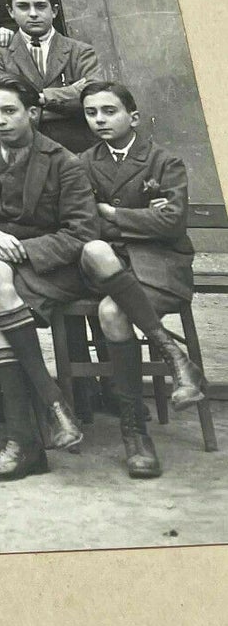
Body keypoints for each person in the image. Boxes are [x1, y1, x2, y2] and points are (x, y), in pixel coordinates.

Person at [0, 76, 92, 482]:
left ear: (32, 112)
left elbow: (82, 234)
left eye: (9, 111)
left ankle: (24, 441)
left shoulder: (63, 161)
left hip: (52, 265)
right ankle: (53, 406)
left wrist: (23, 249)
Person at [78, 81, 208, 475]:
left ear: (132, 117)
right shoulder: (82, 163)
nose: (100, 119)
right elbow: (84, 225)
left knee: (112, 313)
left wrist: (114, 215)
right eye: (91, 113)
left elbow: (171, 223)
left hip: (159, 266)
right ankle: (172, 359)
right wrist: (140, 218)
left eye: (109, 111)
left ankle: (135, 432)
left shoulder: (163, 161)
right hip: (108, 264)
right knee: (93, 253)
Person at [0, 0, 100, 153]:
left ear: (54, 10)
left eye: (40, 6)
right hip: (22, 149)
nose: (33, 14)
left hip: (77, 147)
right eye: (23, 7)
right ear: (11, 11)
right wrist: (69, 97)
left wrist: (37, 98)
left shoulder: (80, 51)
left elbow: (93, 95)